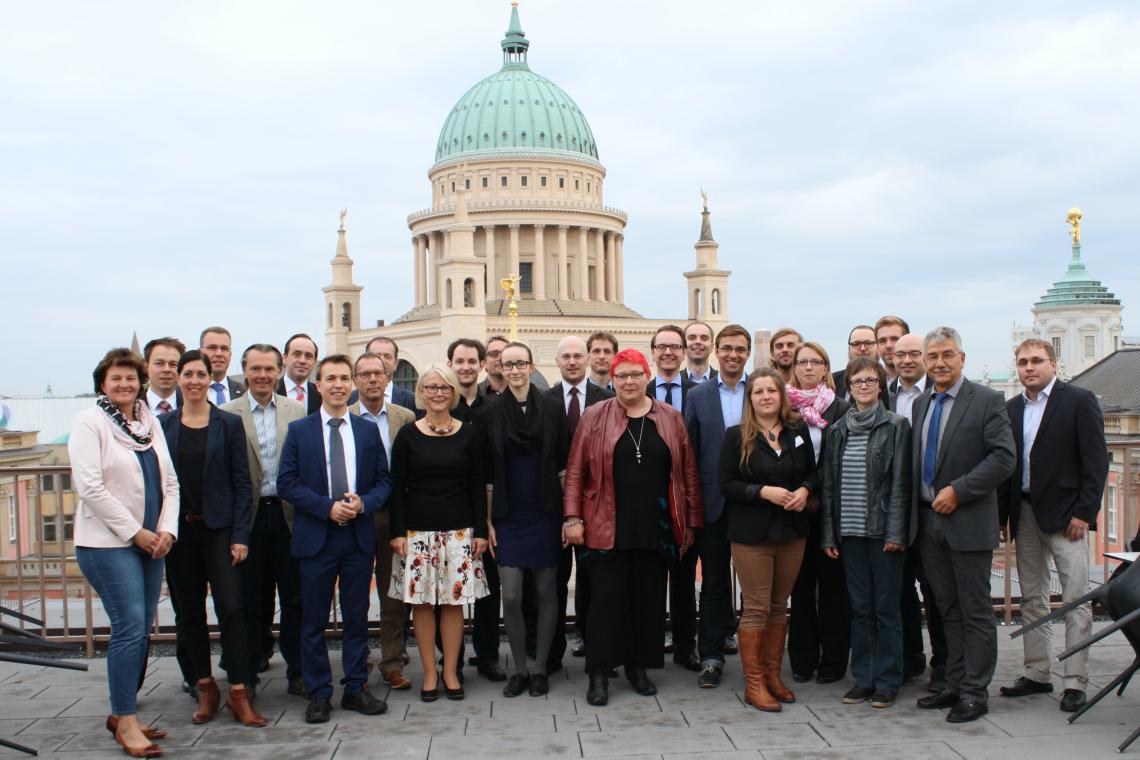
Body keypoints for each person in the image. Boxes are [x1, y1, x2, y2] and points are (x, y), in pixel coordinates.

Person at [564, 349, 703, 706]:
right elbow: (576, 470)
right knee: (605, 604)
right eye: (621, 375)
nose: (629, 381)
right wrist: (572, 518)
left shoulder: (670, 417)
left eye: (635, 374)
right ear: (613, 380)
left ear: (647, 376)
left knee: (648, 601)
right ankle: (599, 673)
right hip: (605, 524)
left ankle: (638, 667)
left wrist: (690, 521)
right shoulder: (595, 416)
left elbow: (687, 472)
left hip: (655, 527)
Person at [70, 348, 179, 758]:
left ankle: (123, 714)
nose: (124, 384)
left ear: (141, 383)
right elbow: (91, 488)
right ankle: (126, 719)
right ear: (102, 383)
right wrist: (138, 534)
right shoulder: (89, 422)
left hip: (152, 543)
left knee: (141, 628)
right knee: (130, 626)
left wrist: (166, 530)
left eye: (131, 378)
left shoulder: (149, 424)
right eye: (116, 378)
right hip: (107, 544)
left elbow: (171, 483)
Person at [278, 354, 392, 723]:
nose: (339, 384)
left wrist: (363, 505)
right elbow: (287, 483)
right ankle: (319, 693)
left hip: (357, 538)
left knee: (357, 618)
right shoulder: (301, 431)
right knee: (313, 621)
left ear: (352, 384)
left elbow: (384, 483)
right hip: (317, 538)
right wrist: (326, 508)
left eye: (345, 378)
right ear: (318, 385)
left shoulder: (366, 430)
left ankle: (356, 688)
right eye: (331, 378)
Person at [998, 338, 1108, 713]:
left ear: (1053, 364)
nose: (1029, 367)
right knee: (1032, 597)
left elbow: (1096, 463)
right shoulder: (1011, 408)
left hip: (1067, 517)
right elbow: (1007, 468)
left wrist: (1085, 513)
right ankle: (1037, 672)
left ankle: (1075, 682)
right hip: (1025, 513)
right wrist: (1004, 517)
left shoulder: (1078, 401)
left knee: (1076, 598)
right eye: (1023, 362)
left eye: (1036, 361)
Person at [912, 327, 1015, 723]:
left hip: (967, 520)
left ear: (962, 358)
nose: (939, 362)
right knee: (946, 608)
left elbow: (1003, 458)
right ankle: (953, 683)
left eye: (947, 355)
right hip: (928, 521)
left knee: (974, 609)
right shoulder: (922, 403)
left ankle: (975, 690)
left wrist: (959, 490)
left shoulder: (987, 400)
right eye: (933, 356)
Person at [159, 351, 264, 727]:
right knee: (189, 615)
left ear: (209, 379)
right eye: (187, 374)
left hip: (220, 533)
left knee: (232, 610)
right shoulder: (163, 426)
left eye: (200, 374)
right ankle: (205, 687)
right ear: (178, 378)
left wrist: (240, 534)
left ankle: (239, 689)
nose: (194, 380)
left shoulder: (228, 424)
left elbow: (241, 482)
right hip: (180, 534)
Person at [388, 365, 490, 702]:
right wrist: (398, 533)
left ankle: (450, 672)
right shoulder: (408, 434)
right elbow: (397, 485)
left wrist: (479, 530)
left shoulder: (469, 434)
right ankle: (430, 672)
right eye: (431, 387)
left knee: (452, 603)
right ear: (421, 392)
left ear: (453, 393)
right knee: (421, 604)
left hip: (459, 531)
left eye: (444, 388)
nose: (438, 393)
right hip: (417, 532)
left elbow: (477, 485)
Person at [719, 367, 817, 712]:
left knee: (779, 606)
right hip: (751, 536)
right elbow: (726, 484)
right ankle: (755, 683)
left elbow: (811, 472)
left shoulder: (797, 430)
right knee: (757, 608)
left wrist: (806, 490)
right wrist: (763, 492)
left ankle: (774, 676)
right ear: (751, 398)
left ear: (781, 395)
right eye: (758, 391)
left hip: (792, 532)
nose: (765, 397)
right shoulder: (736, 436)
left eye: (771, 391)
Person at [821, 357, 912, 709]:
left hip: (882, 533)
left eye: (870, 381)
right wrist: (829, 535)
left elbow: (901, 485)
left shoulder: (896, 426)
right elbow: (829, 487)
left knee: (886, 609)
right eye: (857, 381)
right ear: (848, 387)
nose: (863, 386)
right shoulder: (838, 430)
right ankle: (863, 677)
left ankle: (888, 680)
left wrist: (896, 532)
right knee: (860, 609)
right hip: (850, 534)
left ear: (879, 386)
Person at [220, 344, 308, 699]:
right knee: (250, 600)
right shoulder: (227, 413)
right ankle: (249, 673)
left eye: (269, 369)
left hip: (288, 515)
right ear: (244, 371)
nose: (262, 375)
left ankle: (299, 672)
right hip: (249, 519)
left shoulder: (297, 410)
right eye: (255, 369)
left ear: (279, 369)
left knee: (295, 599)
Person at [487, 342, 570, 697]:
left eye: (521, 363)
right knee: (513, 595)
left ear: (531, 365)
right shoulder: (490, 412)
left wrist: (569, 516)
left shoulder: (553, 408)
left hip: (546, 511)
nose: (515, 369)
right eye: (508, 364)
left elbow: (566, 467)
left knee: (547, 590)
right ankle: (518, 668)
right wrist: (488, 522)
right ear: (500, 369)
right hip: (509, 513)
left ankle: (539, 670)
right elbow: (487, 473)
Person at [684, 324, 751, 687]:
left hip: (755, 503)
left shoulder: (760, 390)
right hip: (713, 505)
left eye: (740, 349)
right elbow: (689, 454)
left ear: (748, 353)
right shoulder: (698, 395)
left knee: (757, 586)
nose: (732, 355)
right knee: (713, 583)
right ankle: (710, 656)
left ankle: (760, 659)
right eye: (727, 348)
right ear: (715, 351)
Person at [786, 341, 852, 686]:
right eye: (803, 362)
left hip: (832, 510)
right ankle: (802, 657)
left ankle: (834, 659)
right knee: (799, 587)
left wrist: (815, 489)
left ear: (826, 368)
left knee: (832, 589)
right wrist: (801, 491)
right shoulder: (785, 409)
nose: (809, 367)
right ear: (794, 368)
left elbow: (842, 459)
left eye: (816, 362)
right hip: (794, 509)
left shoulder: (840, 409)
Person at [349, 352, 416, 690]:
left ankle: (392, 662)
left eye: (379, 373)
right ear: (355, 380)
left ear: (389, 378)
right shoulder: (343, 418)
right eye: (365, 374)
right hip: (356, 516)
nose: (373, 380)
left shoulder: (404, 418)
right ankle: (358, 660)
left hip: (394, 515)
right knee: (356, 593)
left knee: (393, 594)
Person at [547, 335, 613, 664]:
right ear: (556, 361)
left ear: (587, 359)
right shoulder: (543, 401)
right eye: (565, 357)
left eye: (577, 356)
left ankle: (593, 642)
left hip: (598, 505)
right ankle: (552, 649)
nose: (572, 362)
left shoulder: (607, 399)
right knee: (554, 580)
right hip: (554, 508)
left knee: (594, 580)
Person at [447, 338, 506, 682]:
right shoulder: (442, 405)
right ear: (452, 364)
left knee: (488, 587)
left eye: (472, 361)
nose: (466, 367)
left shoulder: (495, 407)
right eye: (460, 361)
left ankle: (487, 655)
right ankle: (450, 658)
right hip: (450, 507)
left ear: (483, 364)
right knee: (449, 590)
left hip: (487, 508)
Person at [890, 333, 945, 690]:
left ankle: (944, 664)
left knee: (936, 590)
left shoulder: (935, 396)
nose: (907, 360)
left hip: (931, 508)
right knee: (899, 590)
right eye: (900, 354)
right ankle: (910, 659)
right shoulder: (884, 393)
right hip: (894, 509)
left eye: (914, 353)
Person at [648, 324, 699, 669]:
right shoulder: (638, 389)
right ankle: (649, 648)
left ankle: (685, 646)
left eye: (674, 346)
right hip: (649, 500)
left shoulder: (700, 392)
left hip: (685, 497)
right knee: (650, 579)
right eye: (661, 346)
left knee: (683, 579)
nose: (668, 352)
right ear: (653, 351)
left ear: (683, 352)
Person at [362, 336, 418, 411]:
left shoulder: (412, 401)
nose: (382, 360)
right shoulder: (349, 400)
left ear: (396, 364)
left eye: (387, 357)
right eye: (376, 356)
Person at [277, 333, 322, 414]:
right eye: (297, 354)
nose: (302, 361)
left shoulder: (321, 395)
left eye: (308, 356)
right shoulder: (270, 392)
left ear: (315, 362)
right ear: (284, 358)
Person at [199, 327, 246, 404]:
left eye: (224, 348)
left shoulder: (245, 393)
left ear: (230, 355)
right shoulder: (186, 392)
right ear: (200, 353)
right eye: (212, 348)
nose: (219, 354)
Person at [832, 325, 877, 397]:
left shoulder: (889, 382)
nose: (862, 348)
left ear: (878, 346)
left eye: (868, 343)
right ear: (849, 348)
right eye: (856, 344)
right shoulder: (833, 381)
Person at [143, 337, 185, 414]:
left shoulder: (193, 407)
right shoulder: (131, 407)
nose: (166, 369)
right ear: (146, 367)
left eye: (173, 364)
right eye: (159, 363)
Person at [874, 316, 910, 388]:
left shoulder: (929, 381)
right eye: (882, 341)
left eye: (895, 339)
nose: (888, 346)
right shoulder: (870, 384)